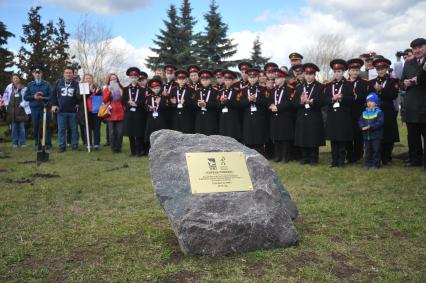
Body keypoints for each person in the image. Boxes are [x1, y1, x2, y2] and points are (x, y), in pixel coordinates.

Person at [325, 59, 355, 167]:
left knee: (342, 139)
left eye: (340, 71)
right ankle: (334, 161)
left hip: (343, 115)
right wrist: (332, 99)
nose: (337, 73)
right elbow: (325, 100)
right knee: (333, 140)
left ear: (343, 72)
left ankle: (341, 161)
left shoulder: (349, 84)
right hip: (332, 115)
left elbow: (352, 99)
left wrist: (342, 98)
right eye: (336, 71)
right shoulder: (328, 85)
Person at [370, 57, 400, 165]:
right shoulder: (372, 82)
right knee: (378, 134)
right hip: (375, 111)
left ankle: (387, 157)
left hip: (388, 110)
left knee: (389, 134)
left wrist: (381, 90)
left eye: (383, 68)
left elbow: (393, 95)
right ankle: (378, 156)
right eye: (378, 69)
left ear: (387, 68)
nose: (380, 71)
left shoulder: (393, 81)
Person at [401, 38, 426, 167]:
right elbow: (401, 82)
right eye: (414, 48)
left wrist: (419, 79)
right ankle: (415, 159)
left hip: (424, 104)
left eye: (420, 47)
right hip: (411, 105)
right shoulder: (408, 63)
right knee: (413, 136)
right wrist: (405, 84)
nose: (417, 50)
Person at [294, 63, 325, 165]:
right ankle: (304, 157)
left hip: (314, 115)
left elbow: (322, 102)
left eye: (311, 74)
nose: (308, 76)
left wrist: (313, 102)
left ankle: (313, 158)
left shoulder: (320, 87)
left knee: (313, 137)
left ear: (314, 75)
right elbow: (294, 103)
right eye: (306, 74)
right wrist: (300, 102)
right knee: (303, 136)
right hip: (302, 115)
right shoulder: (299, 87)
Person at [346, 58, 371, 164]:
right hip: (347, 112)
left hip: (359, 111)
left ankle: (358, 154)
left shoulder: (365, 83)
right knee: (348, 134)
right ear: (349, 71)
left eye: (357, 70)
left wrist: (357, 97)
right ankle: (349, 154)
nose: (355, 72)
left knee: (358, 134)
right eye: (353, 70)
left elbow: (368, 96)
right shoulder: (344, 82)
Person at [51, 65, 81, 152]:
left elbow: (80, 97)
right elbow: (53, 95)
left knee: (74, 129)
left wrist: (78, 104)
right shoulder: (58, 82)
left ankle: (74, 145)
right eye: (66, 73)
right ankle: (62, 146)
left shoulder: (76, 84)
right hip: (61, 110)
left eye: (70, 73)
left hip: (73, 111)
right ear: (64, 74)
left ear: (73, 74)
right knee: (61, 129)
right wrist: (54, 105)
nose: (68, 74)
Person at [268, 69, 296, 162]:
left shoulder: (289, 89)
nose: (275, 80)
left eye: (278, 78)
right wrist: (271, 105)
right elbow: (269, 100)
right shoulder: (273, 90)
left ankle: (285, 157)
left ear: (283, 79)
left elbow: (290, 102)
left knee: (285, 138)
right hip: (274, 116)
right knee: (276, 137)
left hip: (285, 117)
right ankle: (278, 156)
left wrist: (278, 107)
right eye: (275, 78)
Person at [240, 68, 269, 153]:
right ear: (248, 78)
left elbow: (267, 103)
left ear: (257, 78)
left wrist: (256, 100)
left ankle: (260, 155)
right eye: (250, 77)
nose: (252, 79)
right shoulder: (243, 90)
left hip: (259, 117)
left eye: (254, 77)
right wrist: (248, 100)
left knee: (259, 138)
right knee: (248, 138)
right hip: (247, 117)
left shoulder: (263, 89)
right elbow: (240, 104)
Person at [24, 64, 52, 150]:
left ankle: (47, 144)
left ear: (41, 74)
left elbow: (51, 96)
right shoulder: (30, 85)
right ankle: (37, 143)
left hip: (44, 108)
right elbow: (25, 97)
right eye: (36, 73)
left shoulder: (47, 84)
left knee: (46, 126)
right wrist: (34, 97)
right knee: (36, 126)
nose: (37, 74)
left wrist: (43, 98)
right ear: (33, 74)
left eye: (39, 73)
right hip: (34, 109)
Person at [122, 67, 146, 157]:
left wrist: (137, 104)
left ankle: (139, 151)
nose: (133, 79)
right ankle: (133, 152)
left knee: (138, 133)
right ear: (129, 78)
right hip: (129, 114)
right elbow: (123, 100)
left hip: (139, 113)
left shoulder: (142, 89)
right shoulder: (125, 89)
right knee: (130, 133)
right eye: (132, 77)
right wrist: (128, 103)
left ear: (138, 78)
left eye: (135, 77)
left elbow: (144, 100)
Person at [359, 93, 384, 169]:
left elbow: (380, 122)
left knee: (376, 150)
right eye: (368, 102)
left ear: (376, 103)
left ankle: (376, 164)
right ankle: (368, 164)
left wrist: (371, 127)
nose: (369, 103)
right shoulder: (364, 112)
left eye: (371, 101)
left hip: (376, 135)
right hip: (366, 136)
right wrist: (362, 127)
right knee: (367, 150)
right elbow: (360, 121)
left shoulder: (379, 112)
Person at [4, 74, 29, 147]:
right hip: (12, 110)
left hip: (21, 110)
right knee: (14, 127)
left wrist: (22, 104)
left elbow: (27, 99)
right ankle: (14, 143)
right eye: (14, 78)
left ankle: (23, 143)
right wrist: (6, 104)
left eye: (17, 78)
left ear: (19, 79)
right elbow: (5, 96)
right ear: (12, 80)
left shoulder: (24, 88)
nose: (15, 79)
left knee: (22, 128)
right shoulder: (8, 87)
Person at [102, 73, 125, 153]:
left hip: (120, 112)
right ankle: (113, 148)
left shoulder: (121, 88)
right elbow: (104, 100)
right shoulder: (106, 89)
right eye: (111, 79)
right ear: (109, 80)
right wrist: (109, 91)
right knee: (111, 132)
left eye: (114, 78)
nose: (113, 80)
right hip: (111, 112)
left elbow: (124, 100)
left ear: (117, 79)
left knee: (120, 132)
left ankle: (118, 148)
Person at [80, 74, 103, 150]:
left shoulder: (97, 87)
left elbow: (101, 96)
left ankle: (96, 144)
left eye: (89, 78)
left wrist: (95, 92)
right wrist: (89, 92)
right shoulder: (82, 87)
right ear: (84, 79)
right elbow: (79, 97)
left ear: (92, 79)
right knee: (87, 127)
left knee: (96, 128)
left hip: (96, 110)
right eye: (86, 78)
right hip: (86, 111)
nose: (88, 80)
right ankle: (88, 143)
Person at [218, 70, 242, 141]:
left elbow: (239, 104)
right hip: (223, 118)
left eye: (229, 80)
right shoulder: (220, 91)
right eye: (226, 80)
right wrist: (221, 102)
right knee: (223, 138)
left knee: (233, 137)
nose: (227, 82)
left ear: (232, 81)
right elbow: (217, 105)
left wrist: (227, 101)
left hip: (233, 117)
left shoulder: (237, 91)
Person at [145, 77, 168, 148]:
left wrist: (159, 103)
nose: (156, 89)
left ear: (160, 88)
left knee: (161, 133)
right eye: (154, 88)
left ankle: (161, 148)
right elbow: (145, 107)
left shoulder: (163, 97)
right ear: (151, 89)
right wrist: (149, 108)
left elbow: (166, 108)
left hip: (161, 118)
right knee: (151, 132)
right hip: (151, 118)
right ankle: (151, 148)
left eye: (158, 88)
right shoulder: (148, 97)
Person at [194, 70, 219, 135]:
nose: (205, 81)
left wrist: (206, 104)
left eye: (207, 79)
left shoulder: (215, 91)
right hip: (199, 118)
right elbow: (192, 103)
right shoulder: (197, 91)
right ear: (200, 81)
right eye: (203, 80)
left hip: (210, 118)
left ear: (210, 80)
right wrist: (197, 104)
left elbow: (217, 105)